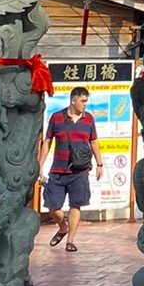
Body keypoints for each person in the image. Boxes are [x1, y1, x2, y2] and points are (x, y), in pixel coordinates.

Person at [40, 85, 97, 253]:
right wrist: (40, 165)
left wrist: (100, 163)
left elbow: (93, 141)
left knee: (76, 205)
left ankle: (70, 240)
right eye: (83, 101)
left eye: (86, 101)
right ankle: (62, 226)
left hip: (80, 171)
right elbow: (48, 141)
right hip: (58, 169)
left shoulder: (89, 119)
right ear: (73, 100)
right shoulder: (57, 118)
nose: (85, 104)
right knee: (53, 207)